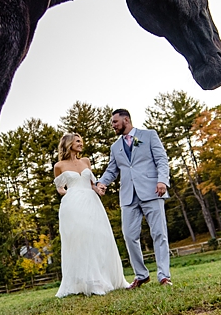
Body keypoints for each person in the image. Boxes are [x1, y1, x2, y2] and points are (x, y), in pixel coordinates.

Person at [95, 109, 172, 287]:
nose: (113, 125)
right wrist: (102, 183)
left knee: (159, 233)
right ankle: (142, 274)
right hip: (128, 196)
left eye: (115, 122)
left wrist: (162, 181)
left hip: (153, 191)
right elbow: (112, 169)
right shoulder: (115, 147)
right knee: (129, 236)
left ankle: (164, 276)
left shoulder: (149, 135)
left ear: (126, 120)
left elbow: (161, 159)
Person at [53, 132, 127, 297]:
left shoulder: (86, 161)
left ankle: (104, 279)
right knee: (82, 239)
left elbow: (92, 184)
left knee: (100, 238)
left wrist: (99, 188)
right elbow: (60, 188)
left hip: (92, 203)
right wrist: (71, 195)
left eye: (81, 141)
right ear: (68, 143)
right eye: (77, 141)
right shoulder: (59, 166)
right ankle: (88, 282)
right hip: (72, 205)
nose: (80, 144)